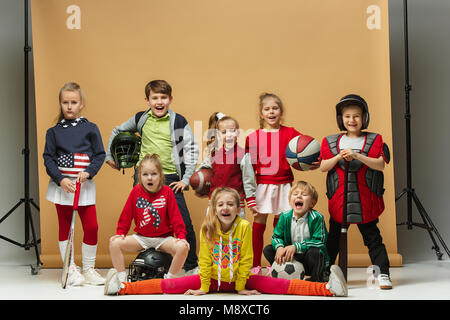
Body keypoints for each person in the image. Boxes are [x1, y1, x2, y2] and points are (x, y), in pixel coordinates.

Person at [104, 187, 347, 297]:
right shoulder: (208, 226)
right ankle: (123, 288)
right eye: (221, 204)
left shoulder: (243, 226)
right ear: (215, 208)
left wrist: (241, 286)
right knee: (170, 286)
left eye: (231, 204)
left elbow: (247, 259)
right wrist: (204, 287)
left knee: (279, 285)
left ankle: (327, 289)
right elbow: (205, 259)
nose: (226, 208)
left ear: (238, 208)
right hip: (211, 279)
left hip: (241, 278)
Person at [104, 80, 199, 273]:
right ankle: (150, 266)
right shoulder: (141, 118)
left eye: (163, 97)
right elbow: (117, 130)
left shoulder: (179, 121)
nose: (159, 101)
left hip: (171, 178)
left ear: (170, 99)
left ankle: (191, 267)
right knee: (145, 222)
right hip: (143, 177)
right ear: (147, 100)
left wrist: (186, 178)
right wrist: (109, 156)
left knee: (185, 223)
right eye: (155, 97)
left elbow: (191, 149)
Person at [319, 94, 392, 289]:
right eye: (347, 116)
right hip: (340, 202)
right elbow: (323, 166)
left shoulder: (374, 139)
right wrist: (339, 157)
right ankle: (324, 273)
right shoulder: (331, 142)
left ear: (365, 118)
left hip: (364, 201)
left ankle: (382, 274)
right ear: (340, 119)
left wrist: (358, 155)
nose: (352, 120)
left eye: (357, 116)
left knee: (373, 239)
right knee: (332, 241)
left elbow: (380, 164)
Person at [245, 93, 318, 274]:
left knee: (282, 225)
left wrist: (315, 161)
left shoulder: (290, 133)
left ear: (281, 111)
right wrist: (249, 194)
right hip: (263, 185)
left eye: (275, 108)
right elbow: (247, 169)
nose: (271, 112)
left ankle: (276, 261)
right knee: (259, 222)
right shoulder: (253, 137)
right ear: (261, 113)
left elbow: (308, 148)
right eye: (267, 109)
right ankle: (255, 264)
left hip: (286, 185)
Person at [43, 82, 105, 286]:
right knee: (65, 227)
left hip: (83, 186)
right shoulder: (53, 132)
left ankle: (88, 268)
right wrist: (60, 179)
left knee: (92, 226)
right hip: (62, 188)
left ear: (81, 104)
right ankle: (70, 268)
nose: (69, 106)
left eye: (73, 102)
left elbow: (99, 155)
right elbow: (48, 158)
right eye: (65, 102)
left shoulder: (91, 128)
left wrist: (89, 172)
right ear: (60, 104)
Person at [108, 154, 190, 283]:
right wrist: (120, 233)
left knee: (184, 247)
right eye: (145, 174)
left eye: (154, 174)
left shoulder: (167, 191)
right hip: (141, 238)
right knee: (114, 243)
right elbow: (126, 214)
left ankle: (170, 280)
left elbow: (176, 217)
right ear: (139, 176)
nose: (150, 178)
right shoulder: (136, 191)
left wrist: (181, 237)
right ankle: (121, 278)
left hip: (164, 239)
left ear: (161, 176)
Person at [263, 181, 329, 282]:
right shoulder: (285, 216)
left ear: (312, 203)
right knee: (268, 249)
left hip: (308, 257)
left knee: (315, 252)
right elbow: (276, 237)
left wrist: (297, 246)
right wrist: (280, 247)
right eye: (295, 194)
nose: (299, 196)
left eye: (304, 194)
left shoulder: (317, 217)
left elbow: (320, 241)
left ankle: (317, 278)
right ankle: (282, 271)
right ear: (290, 201)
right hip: (292, 257)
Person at [195, 112, 257, 218]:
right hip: (215, 204)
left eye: (232, 131)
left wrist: (251, 201)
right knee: (212, 232)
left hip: (235, 205)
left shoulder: (243, 155)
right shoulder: (214, 154)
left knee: (236, 233)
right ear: (218, 135)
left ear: (238, 133)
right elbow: (201, 170)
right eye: (224, 132)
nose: (228, 135)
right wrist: (197, 184)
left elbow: (248, 179)